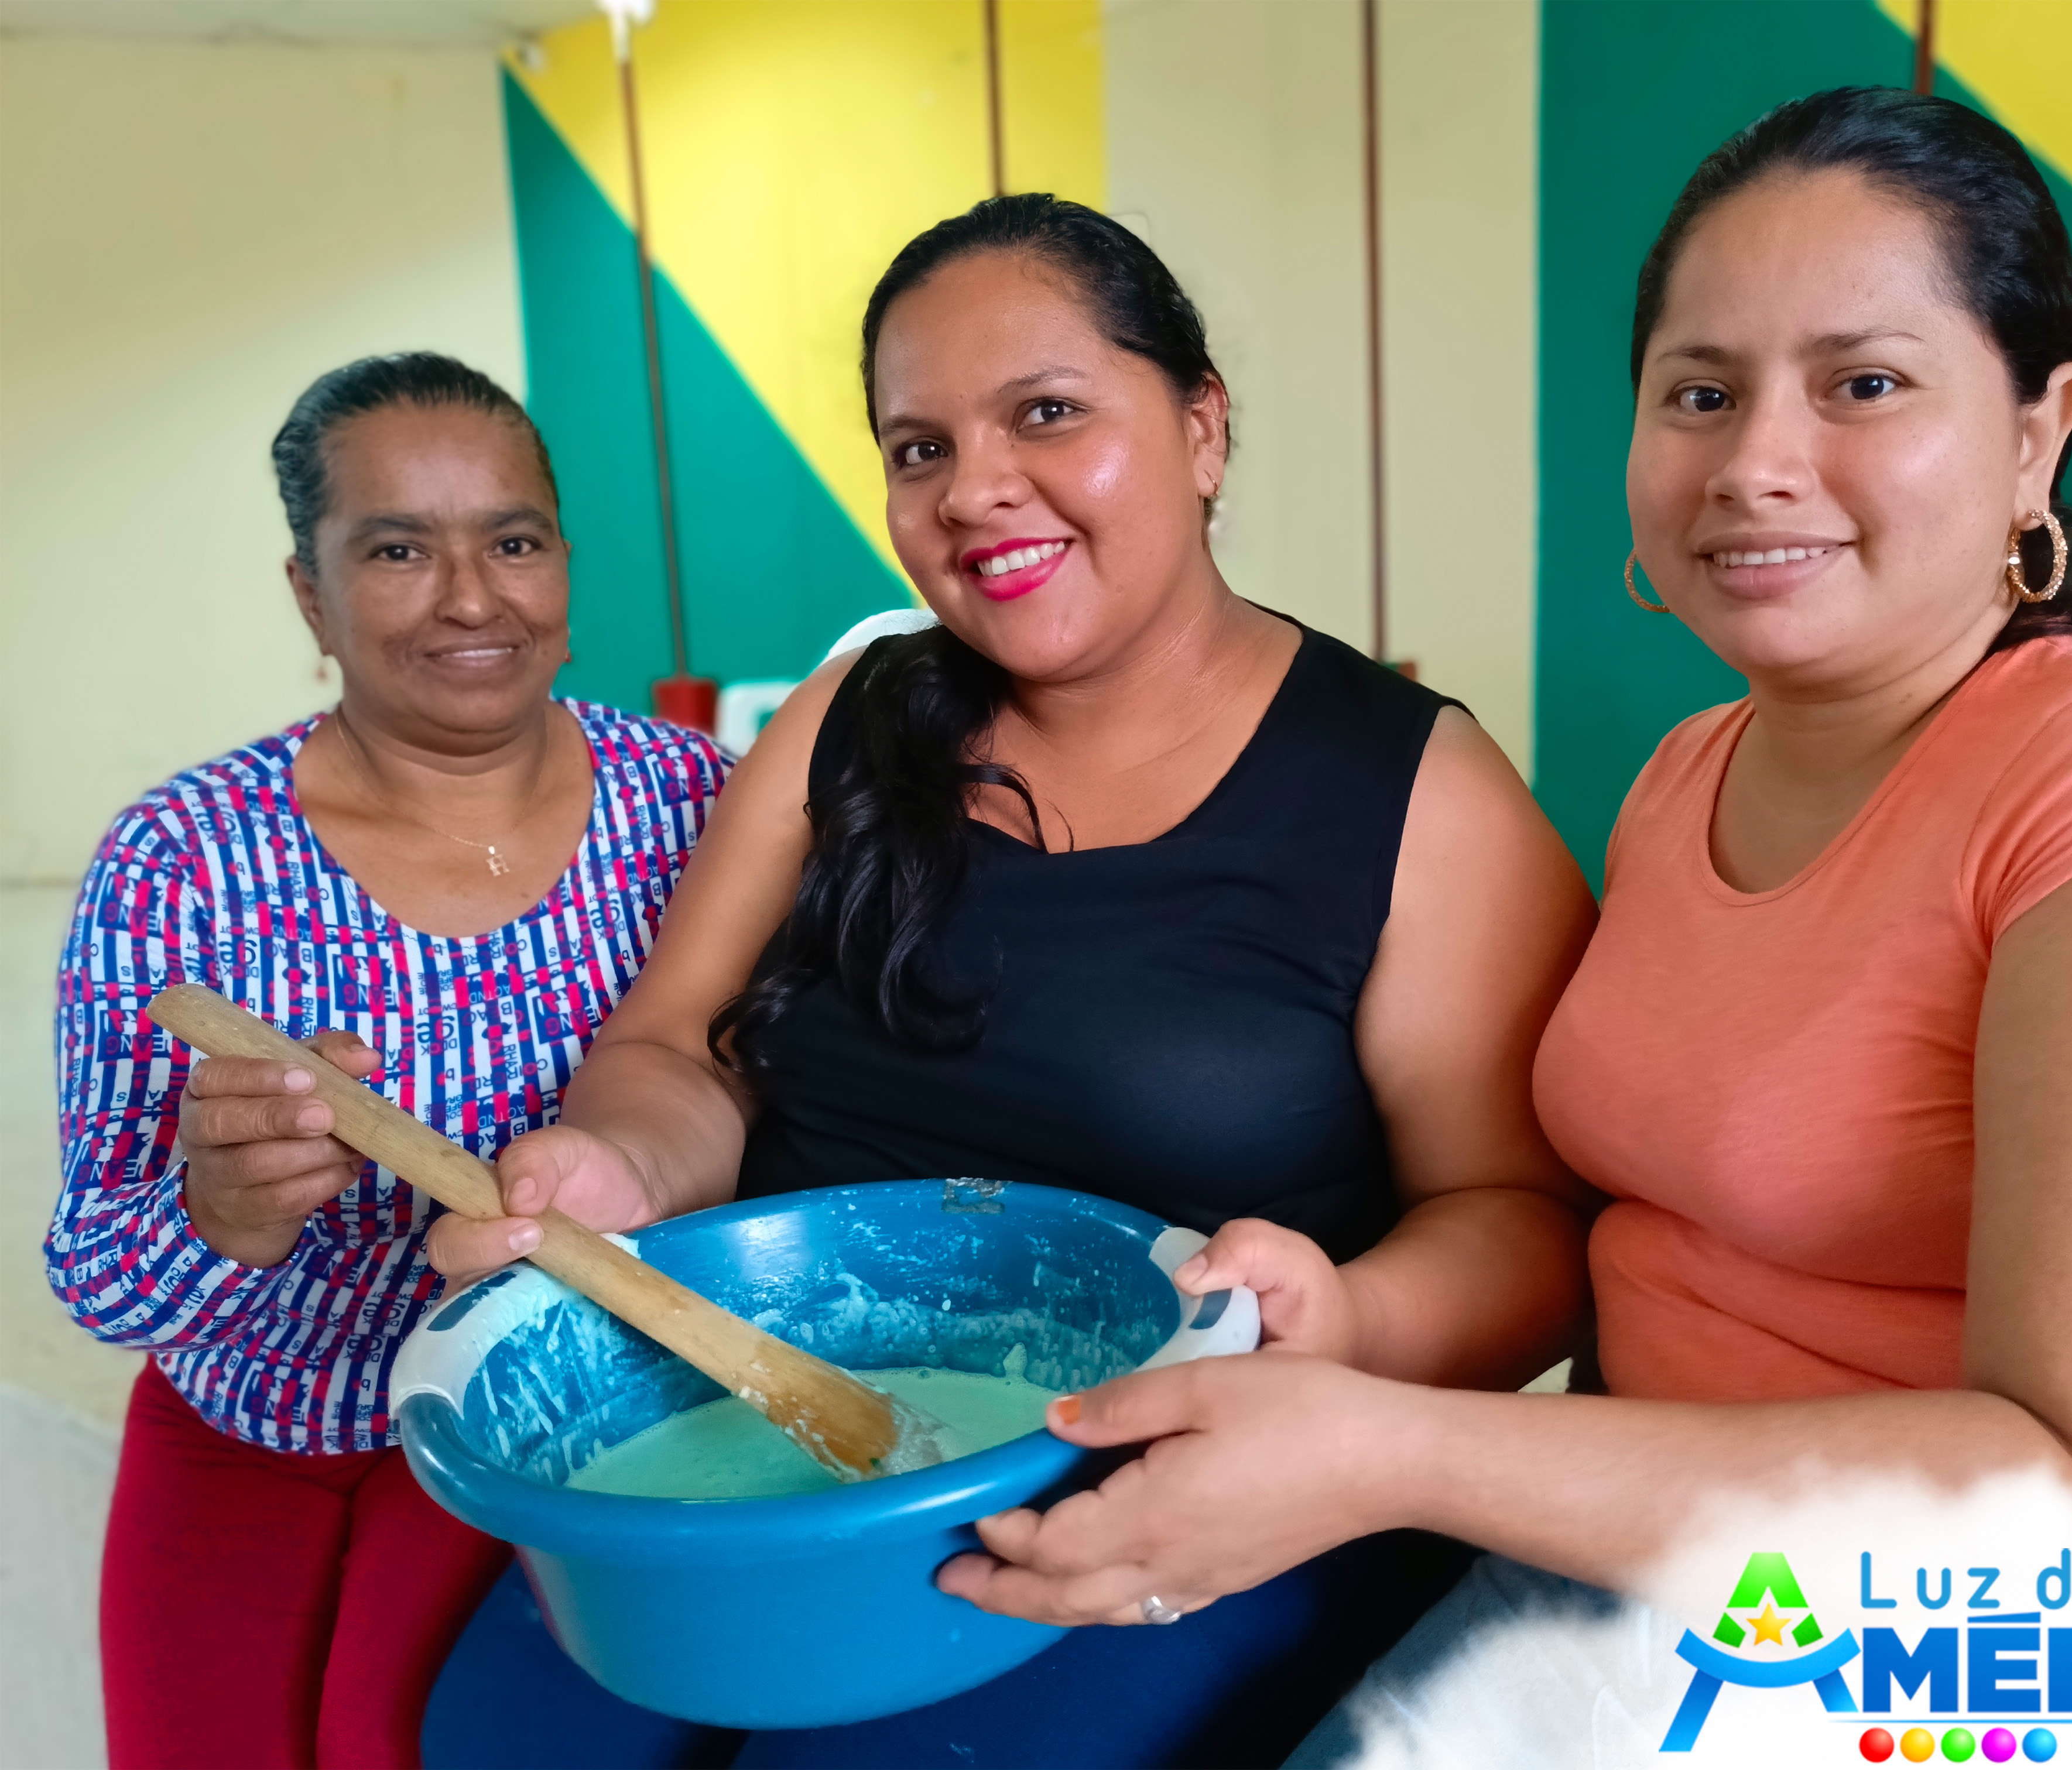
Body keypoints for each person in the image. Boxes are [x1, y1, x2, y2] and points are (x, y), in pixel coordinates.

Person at [923, 89, 2072, 1759]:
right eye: (1701, 393)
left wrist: (1394, 1449)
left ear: (2039, 431)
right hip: (1629, 1565)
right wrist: (1349, 1322)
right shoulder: (1690, 774)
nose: (1754, 465)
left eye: (1864, 384)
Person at [426, 194, 1596, 1767]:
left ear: (1201, 427)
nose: (974, 491)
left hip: (1175, 1486)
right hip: (785, 1432)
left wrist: (1353, 1315)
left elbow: (1525, 1224)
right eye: (919, 448)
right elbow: (679, 1049)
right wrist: (617, 1166)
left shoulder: (1420, 796)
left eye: (1046, 413)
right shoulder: (849, 717)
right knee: (499, 1735)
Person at [47, 353, 730, 1770]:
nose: (473, 599)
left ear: (565, 564)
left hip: (534, 1418)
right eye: (399, 551)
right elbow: (96, 1276)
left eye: (515, 542)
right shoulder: (180, 861)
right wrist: (218, 1214)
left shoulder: (691, 807)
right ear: (312, 593)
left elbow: (775, 1104)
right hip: (240, 1428)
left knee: (395, 1745)